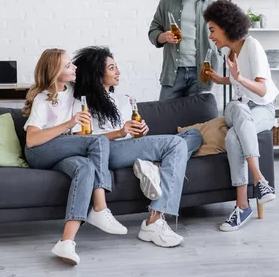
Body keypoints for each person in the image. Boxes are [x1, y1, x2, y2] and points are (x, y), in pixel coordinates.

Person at [73, 46, 203, 248]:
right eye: (112, 68)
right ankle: (154, 220)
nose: (118, 72)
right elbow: (81, 140)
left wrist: (141, 132)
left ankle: (157, 166)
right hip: (108, 151)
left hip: (128, 147)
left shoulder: (123, 100)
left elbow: (134, 132)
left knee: (193, 135)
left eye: (116, 67)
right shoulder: (82, 102)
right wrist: (120, 132)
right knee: (176, 143)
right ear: (97, 73)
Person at [22, 49, 127, 266]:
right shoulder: (43, 99)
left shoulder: (73, 91)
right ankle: (100, 207)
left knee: (86, 167)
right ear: (55, 71)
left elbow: (92, 78)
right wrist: (69, 125)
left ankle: (66, 241)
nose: (75, 67)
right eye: (69, 65)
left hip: (64, 152)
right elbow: (32, 140)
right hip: (39, 153)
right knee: (98, 141)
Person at [202, 0, 279, 232]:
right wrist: (223, 79)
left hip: (263, 109)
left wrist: (238, 77)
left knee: (233, 137)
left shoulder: (252, 46)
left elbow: (262, 89)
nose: (211, 36)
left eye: (213, 30)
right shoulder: (231, 51)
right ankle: (260, 181)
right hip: (241, 107)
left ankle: (243, 205)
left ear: (226, 27)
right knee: (235, 107)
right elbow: (238, 83)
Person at [148, 0, 220, 101]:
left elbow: (224, 39)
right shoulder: (166, 3)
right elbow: (153, 31)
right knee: (165, 114)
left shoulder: (214, 7)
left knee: (197, 120)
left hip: (201, 72)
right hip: (173, 72)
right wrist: (164, 37)